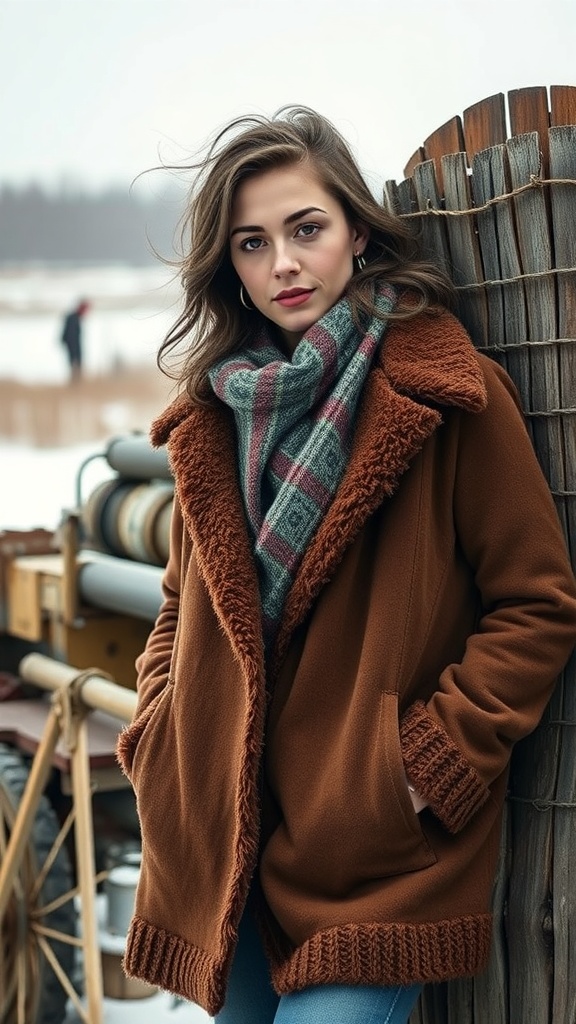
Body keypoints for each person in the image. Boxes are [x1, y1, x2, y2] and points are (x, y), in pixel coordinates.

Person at [116, 107, 576, 1023]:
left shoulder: (448, 392)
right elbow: (182, 603)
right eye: (252, 242)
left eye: (306, 229)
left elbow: (537, 603)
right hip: (225, 838)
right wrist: (161, 733)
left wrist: (419, 770)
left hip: (369, 849)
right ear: (231, 267)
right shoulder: (212, 419)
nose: (282, 262)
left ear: (356, 233)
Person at [60, 299, 89, 380]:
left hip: (73, 346)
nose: (86, 313)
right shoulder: (73, 319)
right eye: (86, 310)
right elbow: (70, 336)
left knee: (74, 365)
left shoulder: (74, 318)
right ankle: (75, 381)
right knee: (74, 364)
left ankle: (76, 380)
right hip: (73, 347)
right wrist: (74, 350)